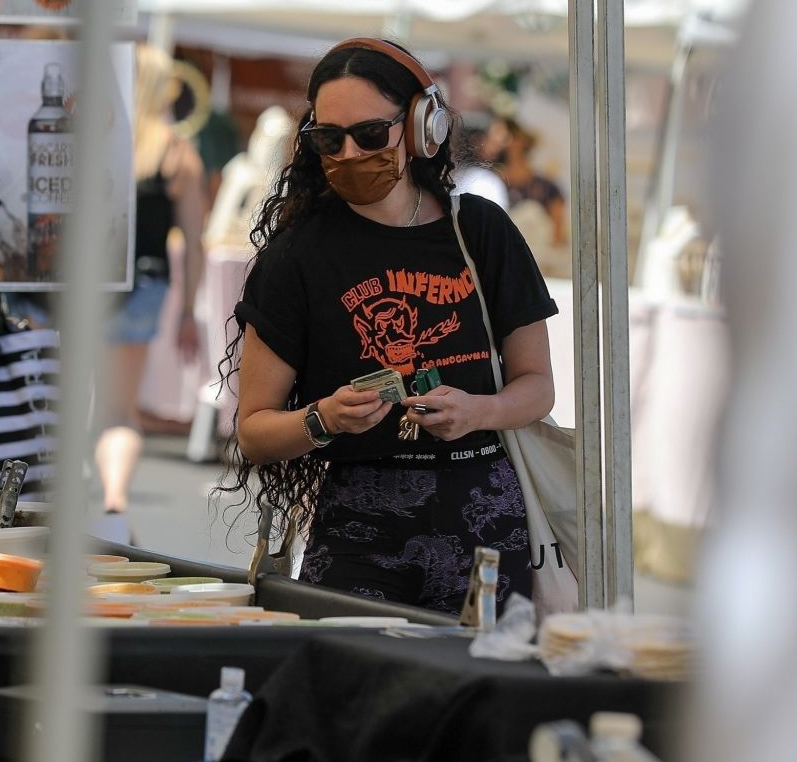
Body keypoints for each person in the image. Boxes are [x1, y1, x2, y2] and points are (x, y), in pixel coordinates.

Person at [223, 37, 557, 614]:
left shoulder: (480, 230)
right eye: (329, 139)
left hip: (486, 526)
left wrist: (479, 412)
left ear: (420, 126)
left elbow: (537, 385)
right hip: (358, 533)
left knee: (484, 698)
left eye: (370, 135)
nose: (350, 154)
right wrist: (323, 418)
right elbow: (254, 433)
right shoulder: (296, 256)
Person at [96, 45, 207, 515]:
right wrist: (188, 312)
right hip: (145, 284)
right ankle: (114, 492)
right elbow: (196, 241)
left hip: (84, 282)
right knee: (121, 409)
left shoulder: (96, 139)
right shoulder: (177, 152)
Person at [485, 116, 568, 245]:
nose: (495, 142)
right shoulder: (487, 184)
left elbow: (558, 237)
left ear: (519, 140)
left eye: (502, 135)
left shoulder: (548, 188)